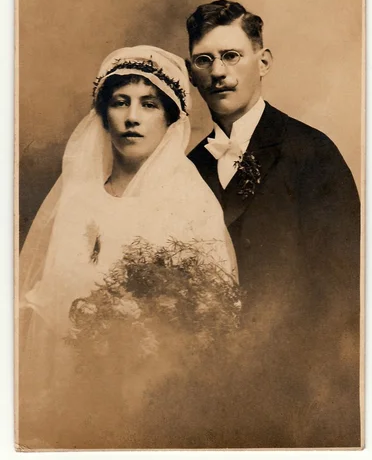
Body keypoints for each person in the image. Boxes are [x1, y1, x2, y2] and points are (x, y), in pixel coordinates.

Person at [18, 45, 238, 449]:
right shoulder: (78, 199)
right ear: (104, 115)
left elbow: (209, 320)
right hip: (69, 388)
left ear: (171, 120)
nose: (132, 117)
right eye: (121, 102)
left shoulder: (190, 202)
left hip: (153, 395)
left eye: (149, 104)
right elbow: (46, 316)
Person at [186, 0, 361, 447]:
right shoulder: (183, 170)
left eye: (231, 56)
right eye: (204, 60)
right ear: (191, 73)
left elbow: (342, 289)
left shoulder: (310, 152)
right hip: (210, 389)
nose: (218, 71)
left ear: (262, 62)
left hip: (300, 390)